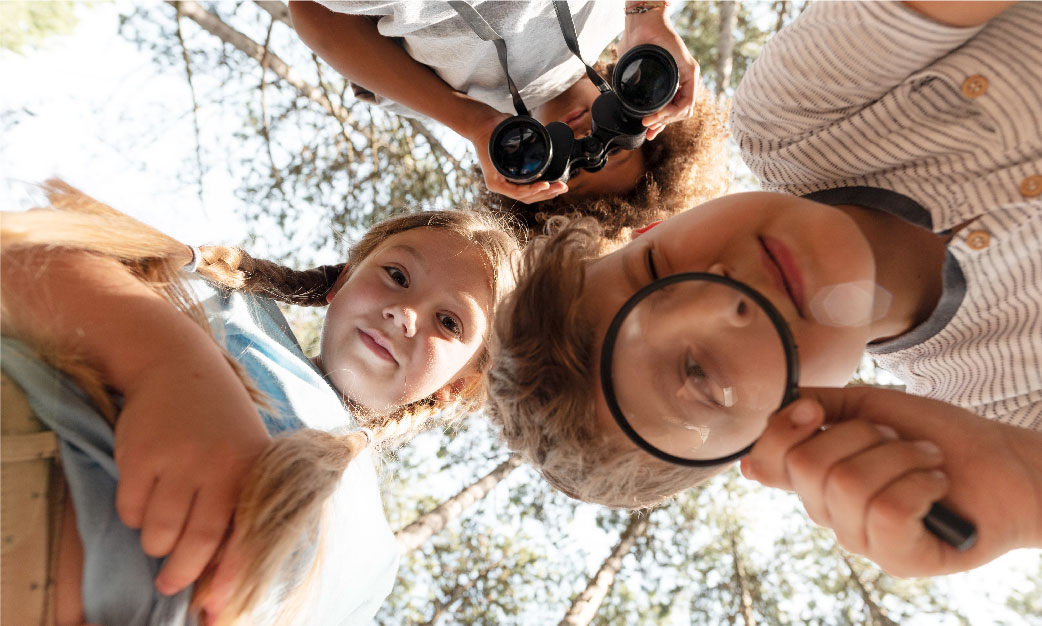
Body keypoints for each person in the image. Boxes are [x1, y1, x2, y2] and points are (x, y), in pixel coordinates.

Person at [486, 0, 1041, 577]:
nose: (722, 300)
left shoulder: (794, 119)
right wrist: (1027, 485)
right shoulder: (1004, 417)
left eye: (654, 268)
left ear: (653, 228)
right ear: (773, 430)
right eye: (700, 374)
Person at [0, 180, 518, 625]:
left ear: (458, 386)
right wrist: (166, 362)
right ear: (342, 281)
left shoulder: (377, 560)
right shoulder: (234, 306)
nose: (405, 314)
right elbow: (19, 253)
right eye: (397, 276)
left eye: (448, 322)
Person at [289, 0, 731, 238]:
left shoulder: (444, 99)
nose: (583, 135)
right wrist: (648, 12)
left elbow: (311, 12)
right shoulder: (618, 14)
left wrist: (474, 122)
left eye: (574, 167)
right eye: (614, 150)